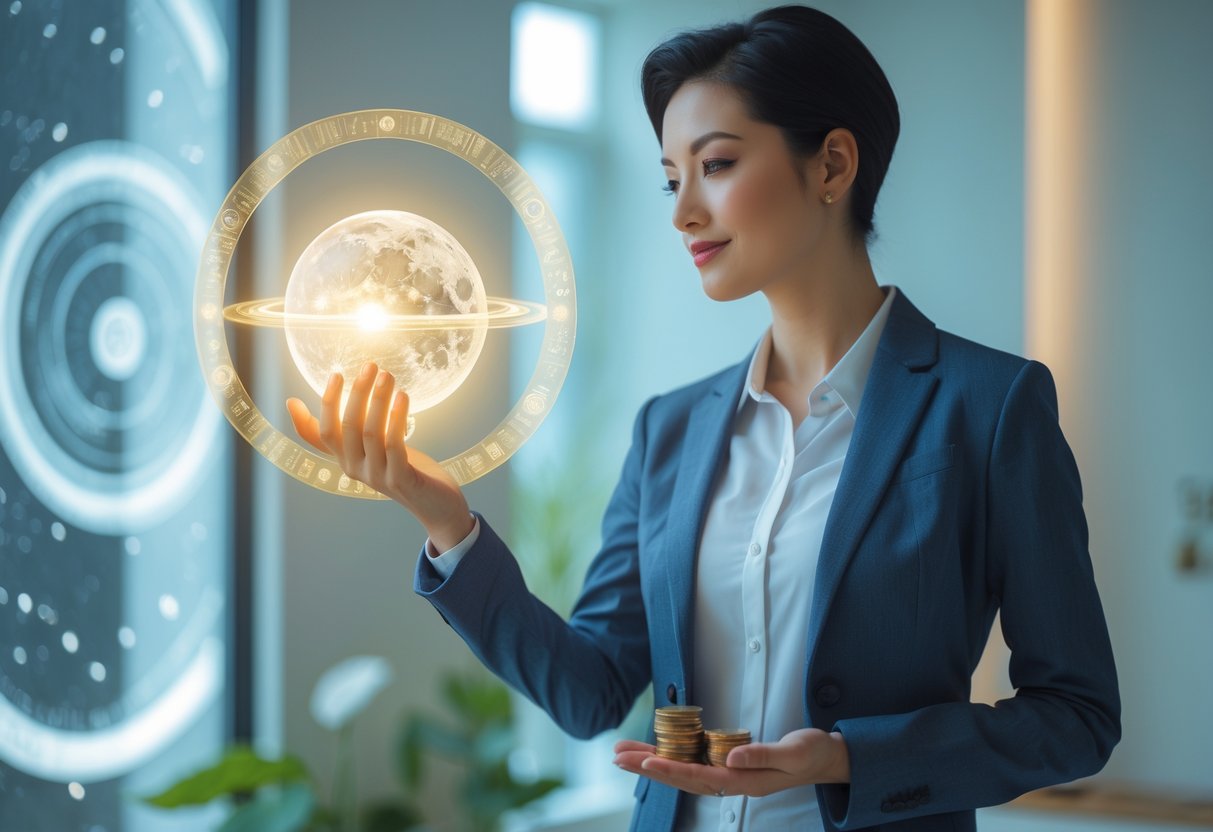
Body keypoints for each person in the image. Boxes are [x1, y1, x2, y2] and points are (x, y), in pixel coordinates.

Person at [287, 5, 1120, 830]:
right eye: (669, 178)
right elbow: (592, 693)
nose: (682, 211)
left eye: (715, 164)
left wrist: (847, 758)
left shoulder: (987, 405)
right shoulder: (670, 432)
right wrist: (447, 522)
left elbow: (1075, 716)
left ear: (831, 164)